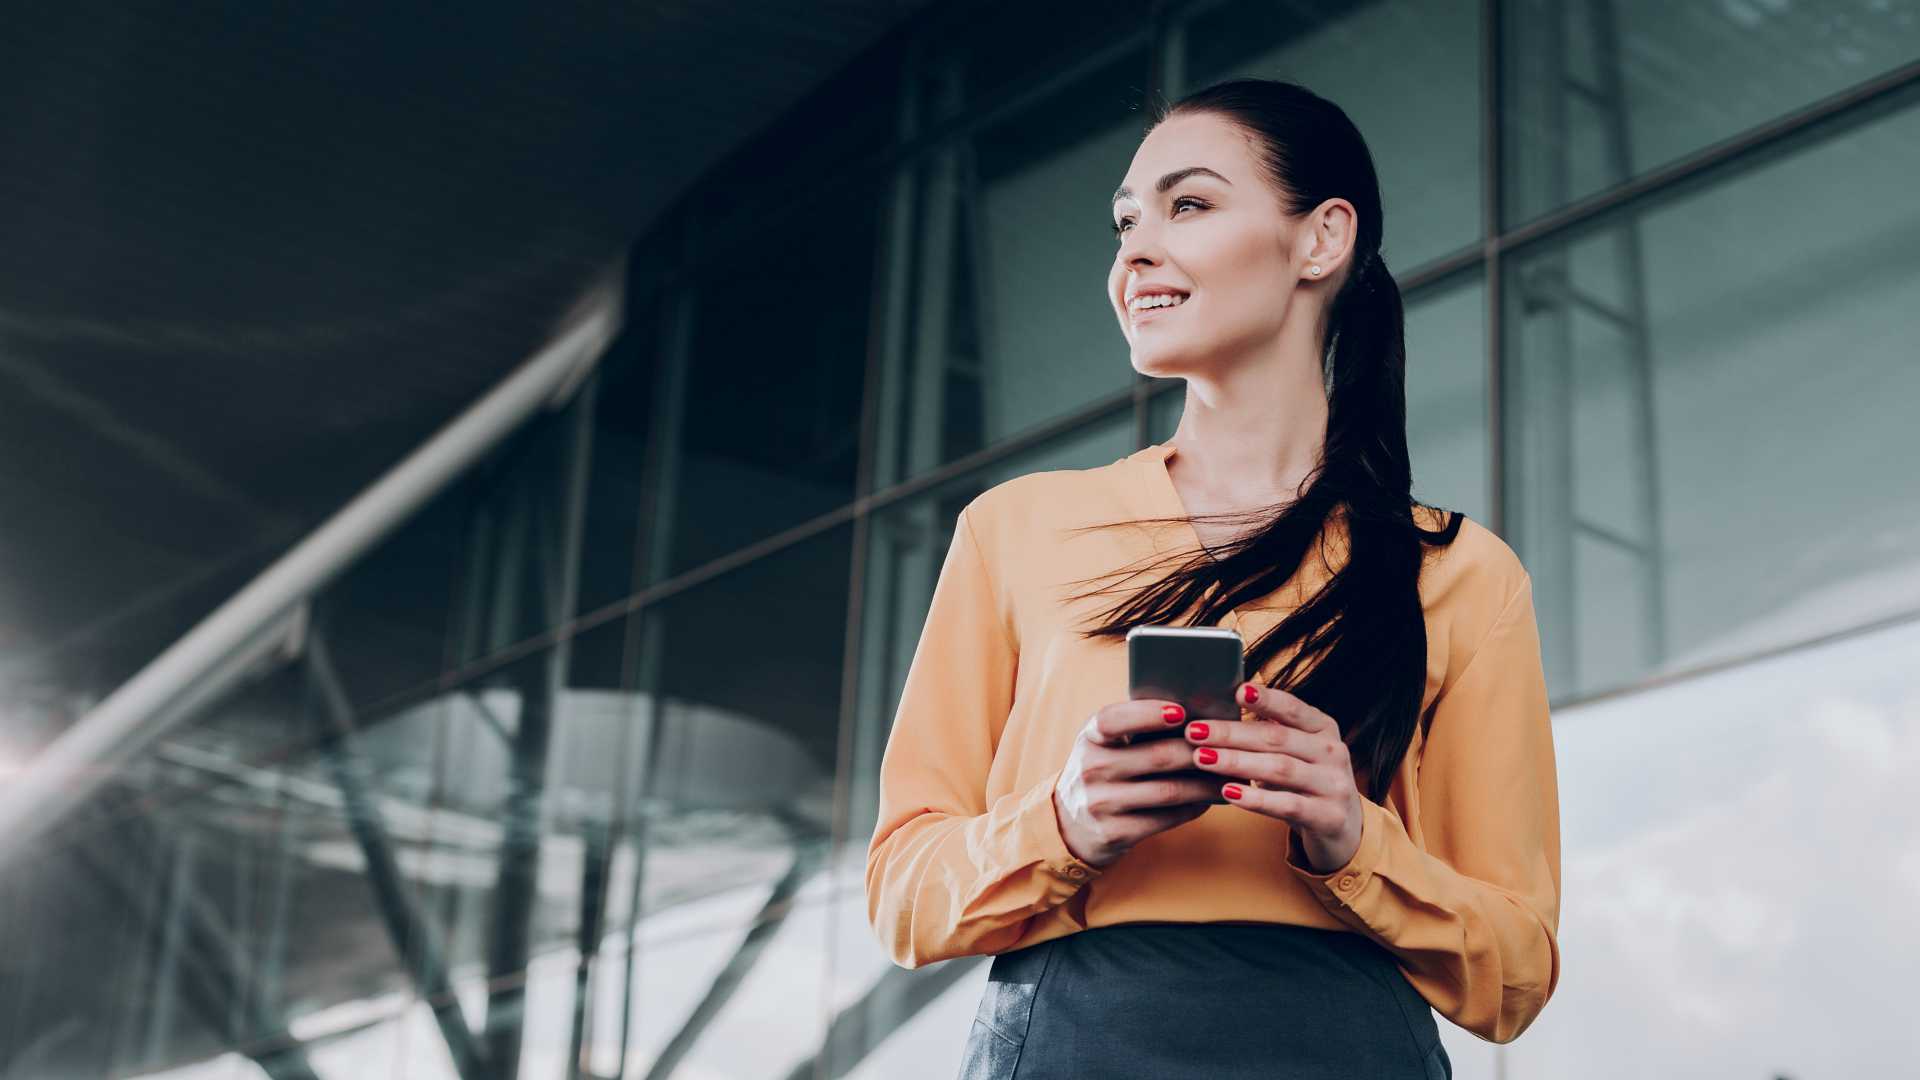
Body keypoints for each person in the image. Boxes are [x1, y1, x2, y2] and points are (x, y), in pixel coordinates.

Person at [864, 77, 1560, 1080]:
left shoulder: (1460, 574)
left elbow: (1516, 972)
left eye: (1187, 205)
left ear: (1320, 240)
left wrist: (1352, 836)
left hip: (1346, 1047)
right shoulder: (1014, 530)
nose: (1133, 253)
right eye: (1124, 223)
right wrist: (1066, 819)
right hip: (1072, 1042)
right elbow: (900, 896)